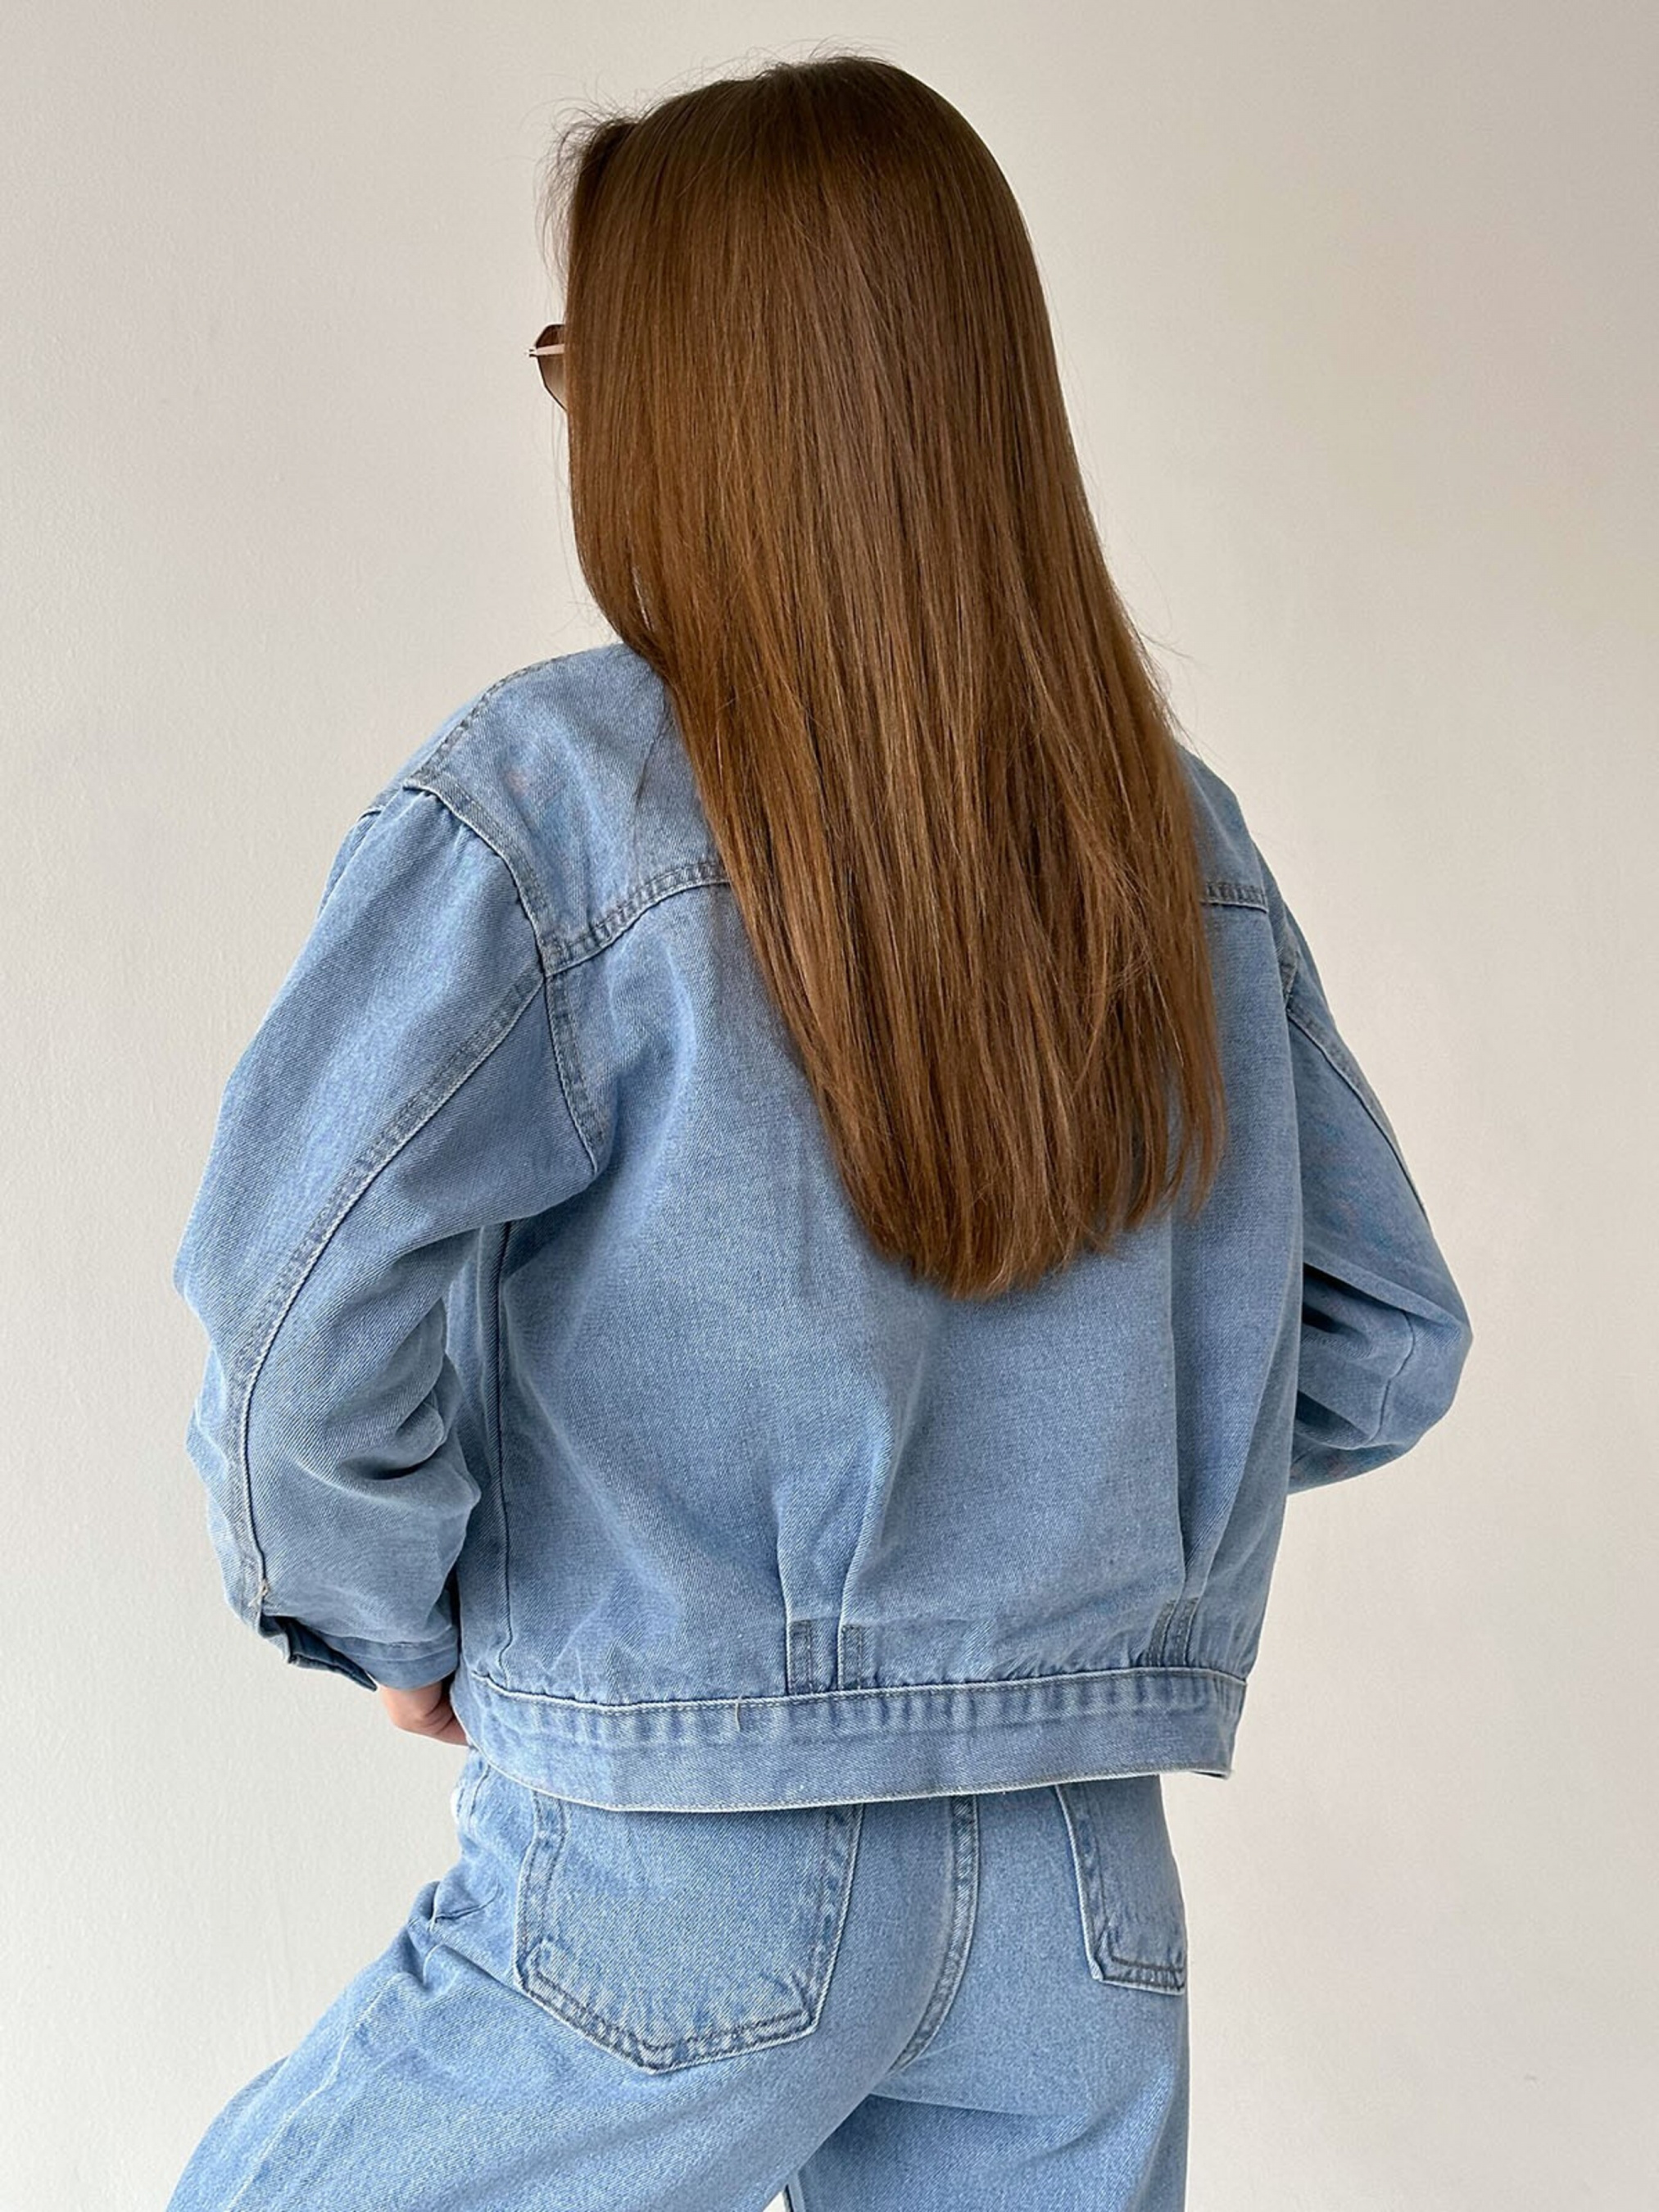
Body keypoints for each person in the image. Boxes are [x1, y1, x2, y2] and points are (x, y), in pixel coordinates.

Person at [164, 49, 1473, 2212]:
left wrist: (387, 1612)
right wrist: (1060, 1543)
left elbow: (296, 1308)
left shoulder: (553, 803)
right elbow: (1380, 1330)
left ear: (682, 413)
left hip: (676, 1864)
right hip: (1076, 1888)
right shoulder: (1161, 833)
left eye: (585, 367)